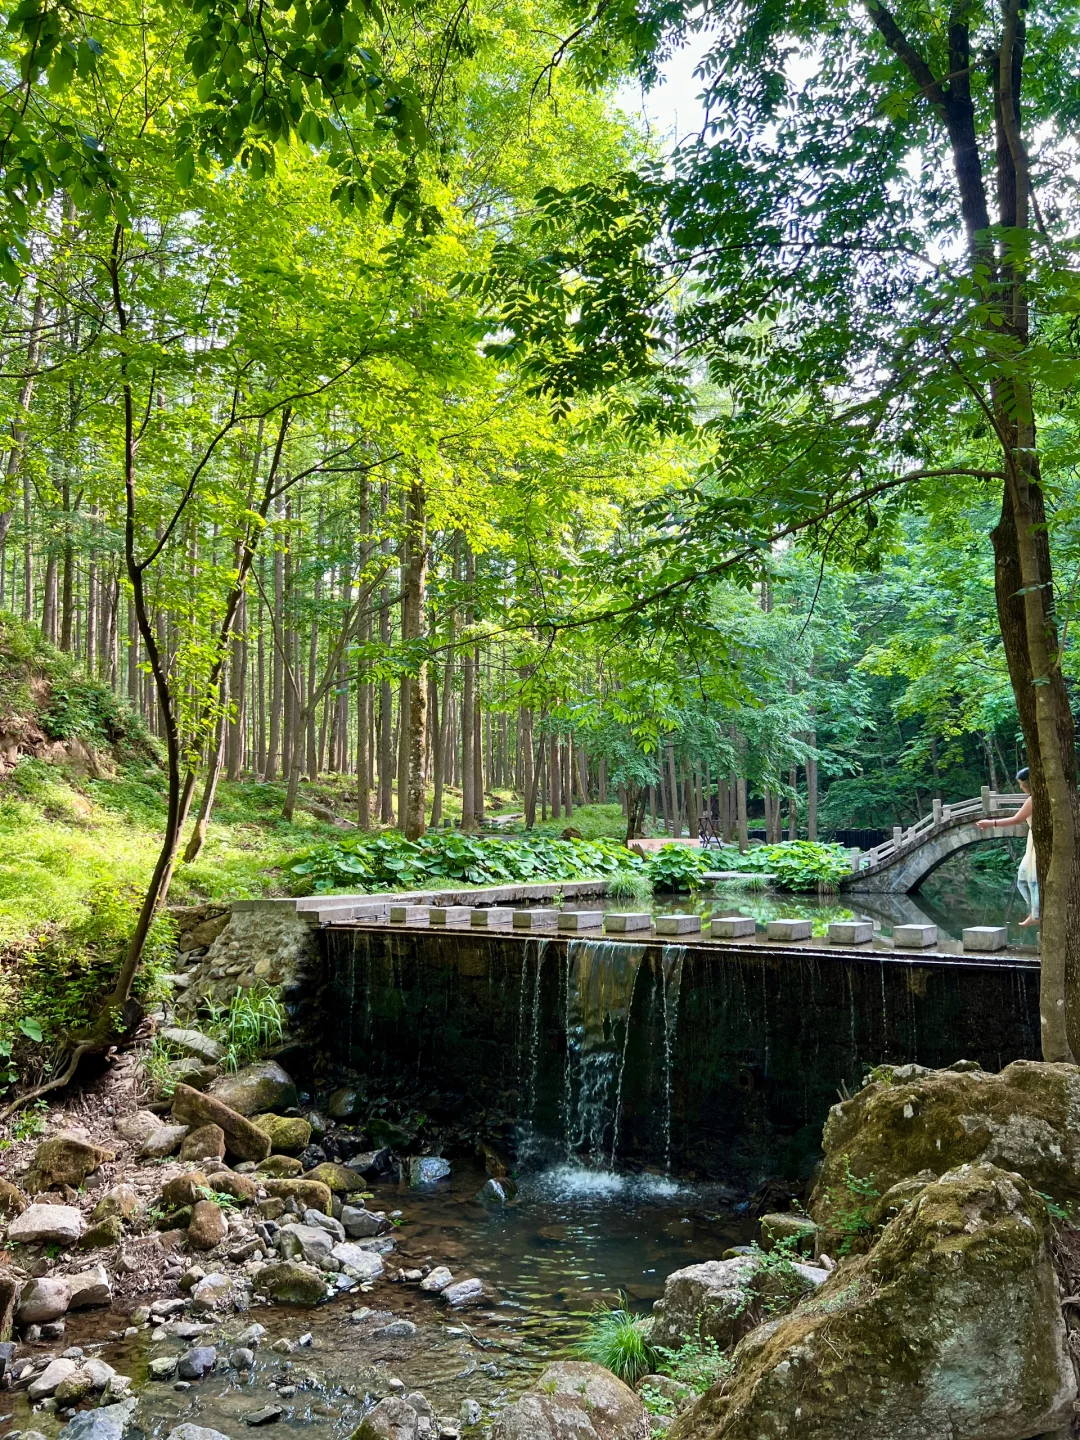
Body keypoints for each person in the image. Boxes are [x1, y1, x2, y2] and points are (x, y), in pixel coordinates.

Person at [976, 768, 1038, 926]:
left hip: (1037, 843)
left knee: (1032, 879)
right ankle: (1035, 911)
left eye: (1021, 784)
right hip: (1033, 841)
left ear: (1028, 783)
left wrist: (991, 823)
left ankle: (1037, 914)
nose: (1020, 787)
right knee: (1023, 878)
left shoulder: (1034, 799)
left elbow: (1017, 819)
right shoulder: (1033, 798)